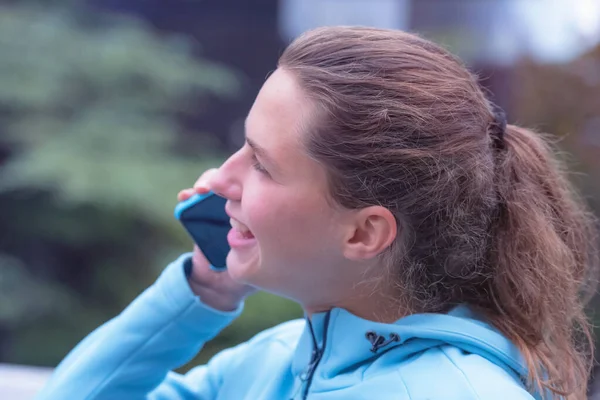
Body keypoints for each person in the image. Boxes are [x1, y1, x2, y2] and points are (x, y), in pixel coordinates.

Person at [36, 26, 598, 400]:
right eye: (241, 147)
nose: (219, 181)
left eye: (261, 164)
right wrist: (204, 291)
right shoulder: (271, 364)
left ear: (364, 232)